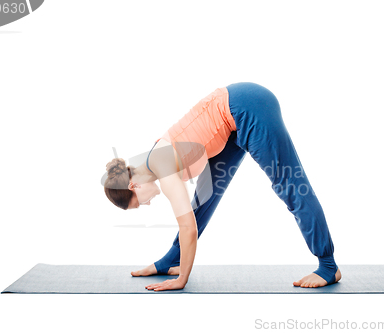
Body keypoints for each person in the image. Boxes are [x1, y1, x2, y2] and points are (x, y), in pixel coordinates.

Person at [103, 82, 341, 291]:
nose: (147, 203)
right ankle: (172, 260)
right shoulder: (156, 160)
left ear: (133, 185)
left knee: (290, 185)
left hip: (248, 107)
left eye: (139, 203)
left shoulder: (162, 168)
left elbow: (189, 229)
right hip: (230, 120)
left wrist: (182, 279)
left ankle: (328, 266)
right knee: (204, 199)